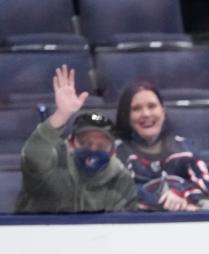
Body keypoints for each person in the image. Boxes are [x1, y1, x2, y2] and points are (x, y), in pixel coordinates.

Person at [16, 65, 137, 214]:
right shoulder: (54, 162)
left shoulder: (121, 181)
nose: (92, 150)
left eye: (101, 146)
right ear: (71, 143)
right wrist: (61, 115)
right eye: (85, 143)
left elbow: (125, 228)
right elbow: (33, 154)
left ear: (113, 152)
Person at [114, 82, 209, 212]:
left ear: (163, 110)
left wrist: (181, 193)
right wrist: (165, 202)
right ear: (126, 117)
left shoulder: (185, 148)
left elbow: (208, 190)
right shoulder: (116, 152)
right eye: (136, 109)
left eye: (152, 106)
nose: (146, 114)